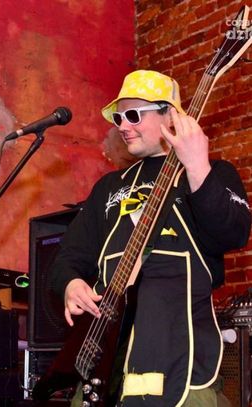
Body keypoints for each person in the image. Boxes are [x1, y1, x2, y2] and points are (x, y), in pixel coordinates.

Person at [49, 70, 251, 406]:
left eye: (133, 115)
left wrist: (197, 167)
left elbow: (233, 233)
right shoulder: (108, 188)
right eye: (118, 118)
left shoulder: (213, 173)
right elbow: (67, 259)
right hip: (104, 371)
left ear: (170, 115)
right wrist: (71, 284)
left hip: (182, 369)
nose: (122, 126)